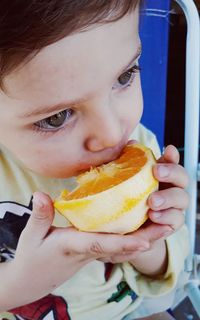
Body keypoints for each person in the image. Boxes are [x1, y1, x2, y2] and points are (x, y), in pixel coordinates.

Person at [0, 1, 189, 319]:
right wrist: (20, 284)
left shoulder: (140, 150)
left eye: (126, 76)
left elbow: (164, 278)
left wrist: (151, 238)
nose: (112, 133)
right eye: (57, 117)